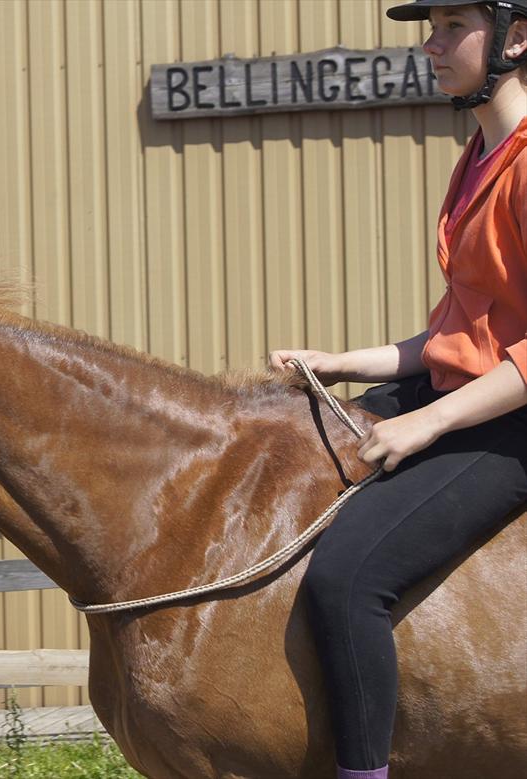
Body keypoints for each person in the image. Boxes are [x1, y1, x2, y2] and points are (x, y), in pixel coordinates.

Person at [267, 2, 527, 777]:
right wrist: (342, 361)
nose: (432, 43)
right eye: (432, 26)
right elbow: (458, 335)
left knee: (349, 579)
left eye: (454, 26)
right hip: (467, 394)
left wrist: (427, 422)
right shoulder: (478, 158)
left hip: (511, 423)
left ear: (518, 36)